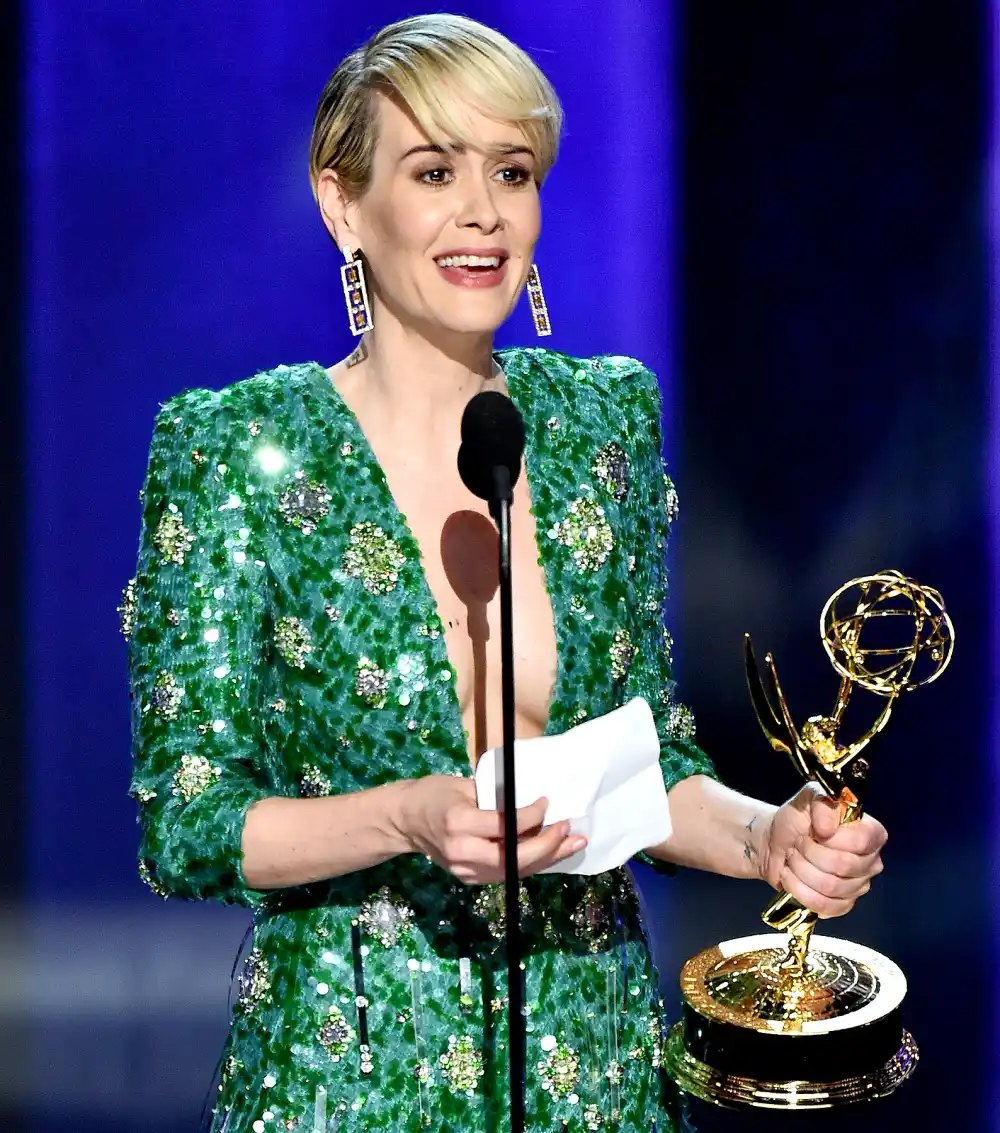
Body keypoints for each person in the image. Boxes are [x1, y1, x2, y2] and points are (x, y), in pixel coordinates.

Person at [123, 15, 887, 1133]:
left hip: (592, 1056)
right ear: (344, 204)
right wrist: (410, 815)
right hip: (352, 1066)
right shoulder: (235, 449)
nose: (483, 210)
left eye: (512, 171)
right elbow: (187, 823)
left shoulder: (601, 423)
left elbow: (644, 761)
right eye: (434, 170)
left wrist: (764, 836)